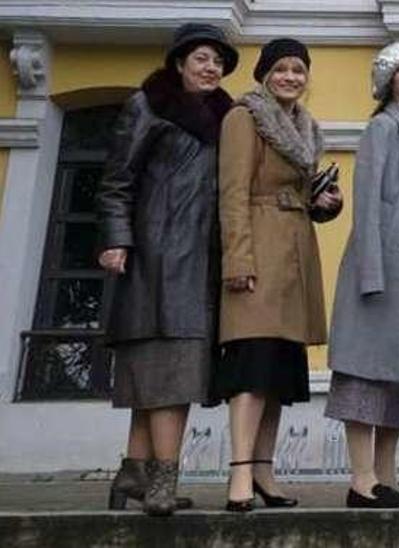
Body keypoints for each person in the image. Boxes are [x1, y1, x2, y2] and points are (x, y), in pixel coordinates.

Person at [96, 23, 238, 517]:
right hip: (154, 260)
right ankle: (161, 484)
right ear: (179, 63)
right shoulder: (148, 105)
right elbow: (117, 179)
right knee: (169, 374)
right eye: (201, 58)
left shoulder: (229, 120)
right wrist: (116, 238)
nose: (211, 68)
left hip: (202, 263)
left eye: (218, 61)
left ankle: (131, 475)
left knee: (158, 377)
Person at [215, 37, 343, 512]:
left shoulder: (304, 127)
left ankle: (265, 471)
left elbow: (301, 193)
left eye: (299, 70)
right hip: (257, 252)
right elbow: (231, 194)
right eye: (282, 69)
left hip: (294, 254)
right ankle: (239, 474)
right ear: (264, 74)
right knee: (251, 366)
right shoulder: (243, 118)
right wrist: (238, 260)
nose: (291, 76)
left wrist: (323, 203)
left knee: (278, 374)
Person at [325, 41, 399, 509]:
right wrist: (372, 272)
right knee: (363, 379)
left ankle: (387, 477)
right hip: (383, 271)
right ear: (388, 80)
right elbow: (367, 204)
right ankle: (361, 479)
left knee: (398, 381)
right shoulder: (381, 127)